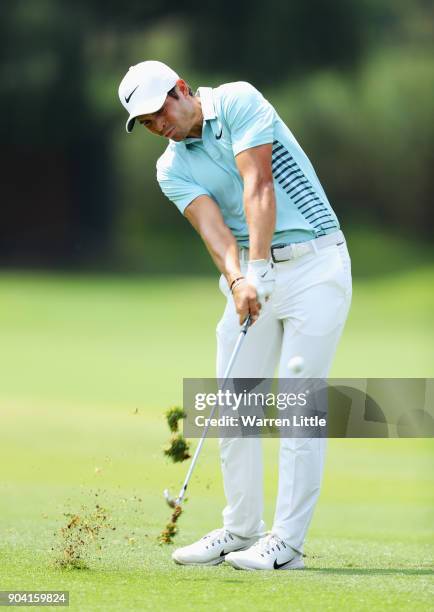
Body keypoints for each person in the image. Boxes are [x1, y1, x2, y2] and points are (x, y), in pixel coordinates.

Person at [118, 60, 352, 570]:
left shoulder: (238, 99)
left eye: (160, 112)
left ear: (182, 89)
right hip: (252, 273)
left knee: (297, 403)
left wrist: (260, 268)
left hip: (316, 264)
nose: (159, 126)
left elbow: (258, 184)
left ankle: (286, 543)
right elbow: (214, 231)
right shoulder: (170, 168)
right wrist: (240, 278)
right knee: (233, 400)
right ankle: (240, 528)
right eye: (147, 123)